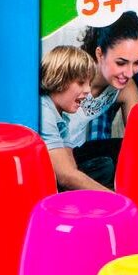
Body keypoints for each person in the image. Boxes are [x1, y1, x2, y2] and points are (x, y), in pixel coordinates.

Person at [69, 11, 138, 189]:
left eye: (137, 62)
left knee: (127, 152)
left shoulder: (126, 88)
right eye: (121, 63)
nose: (129, 72)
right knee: (107, 167)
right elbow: (64, 171)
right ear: (100, 54)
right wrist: (118, 200)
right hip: (50, 161)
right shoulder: (71, 77)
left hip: (78, 154)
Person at [38, 45, 105, 191]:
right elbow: (65, 176)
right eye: (81, 83)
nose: (88, 90)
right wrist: (116, 199)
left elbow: (70, 166)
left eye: (89, 83)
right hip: (35, 187)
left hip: (54, 179)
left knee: (104, 165)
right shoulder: (43, 111)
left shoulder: (62, 115)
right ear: (59, 78)